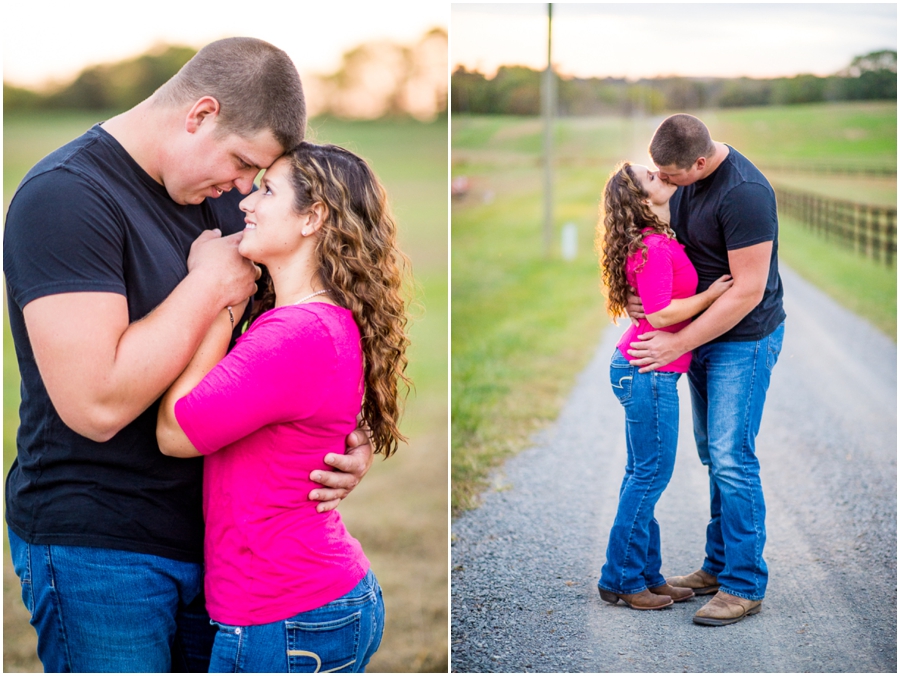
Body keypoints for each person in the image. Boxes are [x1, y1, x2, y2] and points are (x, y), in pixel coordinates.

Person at [4, 38, 374, 673]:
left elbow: (281, 348)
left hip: (223, 550)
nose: (241, 188)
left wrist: (338, 435)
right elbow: (95, 404)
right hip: (103, 546)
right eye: (239, 163)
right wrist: (206, 286)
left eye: (256, 179)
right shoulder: (65, 198)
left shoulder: (226, 198)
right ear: (200, 114)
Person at [156, 141, 410, 673]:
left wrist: (218, 296)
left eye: (268, 190)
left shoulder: (297, 333)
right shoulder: (317, 320)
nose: (247, 200)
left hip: (288, 615)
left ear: (312, 218)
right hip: (301, 605)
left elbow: (175, 433)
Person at [625, 114, 786, 626]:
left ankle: (744, 583)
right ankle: (718, 567)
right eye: (659, 173)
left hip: (745, 337)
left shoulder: (745, 194)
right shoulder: (683, 181)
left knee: (731, 455)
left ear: (699, 161)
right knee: (712, 454)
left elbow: (747, 290)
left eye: (672, 174)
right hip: (701, 335)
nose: (665, 182)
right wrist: (643, 302)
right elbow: (666, 254)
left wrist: (678, 339)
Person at [597, 162, 733, 611]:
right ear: (642, 200)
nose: (661, 176)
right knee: (650, 475)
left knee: (642, 475)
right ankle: (621, 579)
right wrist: (713, 295)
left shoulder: (657, 241)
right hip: (647, 373)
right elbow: (658, 315)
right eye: (650, 177)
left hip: (646, 371)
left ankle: (647, 575)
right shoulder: (653, 246)